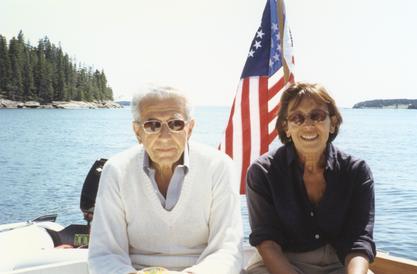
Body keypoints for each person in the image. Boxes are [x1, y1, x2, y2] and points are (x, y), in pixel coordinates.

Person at [88, 86, 243, 274]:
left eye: (175, 124)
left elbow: (228, 250)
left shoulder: (218, 167)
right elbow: (105, 254)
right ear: (137, 132)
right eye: (152, 125)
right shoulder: (117, 170)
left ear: (190, 128)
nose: (164, 137)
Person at [245, 82, 376, 274]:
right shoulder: (263, 172)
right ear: (286, 128)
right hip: (280, 262)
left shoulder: (357, 172)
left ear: (332, 124)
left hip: (338, 263)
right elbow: (267, 241)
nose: (308, 125)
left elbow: (359, 240)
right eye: (297, 118)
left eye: (317, 116)